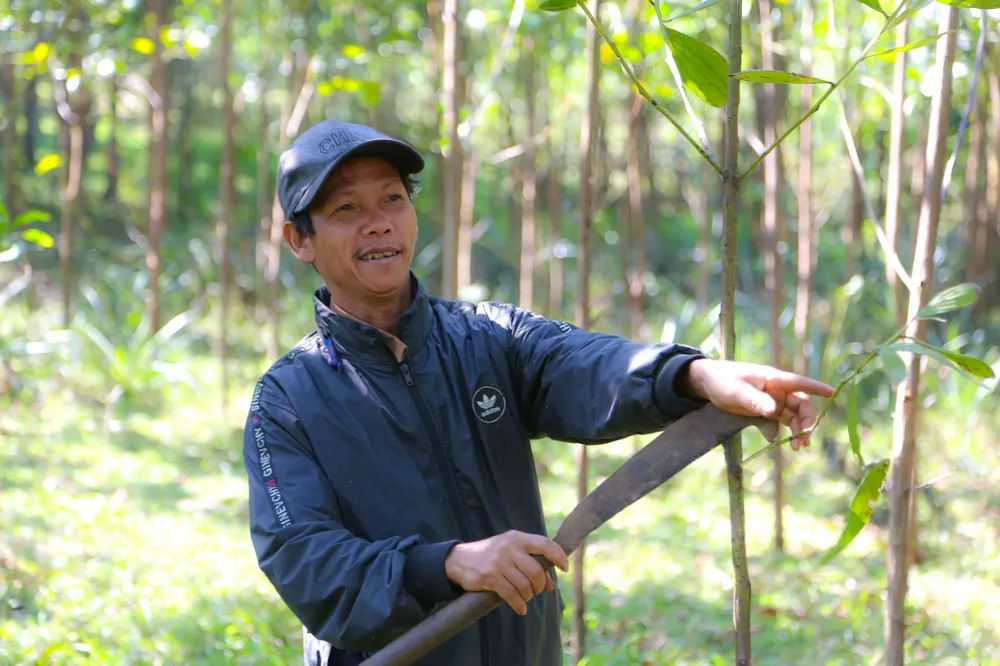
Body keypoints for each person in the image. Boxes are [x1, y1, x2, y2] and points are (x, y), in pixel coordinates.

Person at [242, 119, 835, 666]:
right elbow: (306, 560)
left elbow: (584, 363)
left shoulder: (488, 336)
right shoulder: (288, 400)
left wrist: (694, 375)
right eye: (347, 208)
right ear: (300, 240)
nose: (379, 222)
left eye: (393, 198)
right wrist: (447, 564)